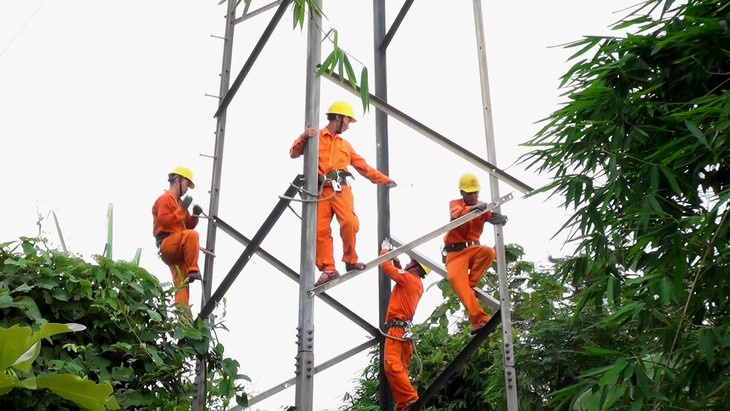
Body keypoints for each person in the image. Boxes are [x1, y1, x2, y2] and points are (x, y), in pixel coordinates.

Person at [290, 101, 397, 287]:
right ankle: (328, 268)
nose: (348, 126)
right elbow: (293, 153)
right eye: (347, 121)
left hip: (340, 189)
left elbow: (364, 167)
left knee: (349, 222)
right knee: (320, 230)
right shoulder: (315, 137)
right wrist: (304, 136)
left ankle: (350, 260)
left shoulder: (345, 145)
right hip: (320, 190)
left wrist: (384, 179)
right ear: (338, 118)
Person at [443, 173, 508, 334]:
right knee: (456, 281)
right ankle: (479, 320)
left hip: (473, 250)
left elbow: (492, 217)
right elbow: (456, 213)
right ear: (462, 193)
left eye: (475, 192)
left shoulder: (482, 206)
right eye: (469, 193)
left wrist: (503, 219)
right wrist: (471, 209)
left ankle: (470, 284)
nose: (473, 196)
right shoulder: (455, 204)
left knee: (489, 252)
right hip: (455, 253)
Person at [379, 238, 430, 411]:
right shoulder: (417, 283)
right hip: (404, 330)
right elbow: (399, 274)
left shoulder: (408, 279)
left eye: (410, 262)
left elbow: (385, 267)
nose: (408, 264)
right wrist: (397, 261)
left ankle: (409, 398)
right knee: (401, 369)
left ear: (415, 267)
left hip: (397, 330)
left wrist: (385, 251)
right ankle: (403, 405)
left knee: (391, 365)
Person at [152, 166, 204, 308]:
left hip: (177, 246)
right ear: (177, 181)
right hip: (168, 243)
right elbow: (165, 221)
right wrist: (181, 210)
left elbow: (188, 225)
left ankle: (183, 318)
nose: (187, 189)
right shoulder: (165, 199)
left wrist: (195, 215)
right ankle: (193, 269)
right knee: (192, 236)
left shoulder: (179, 203)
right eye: (186, 184)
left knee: (182, 284)